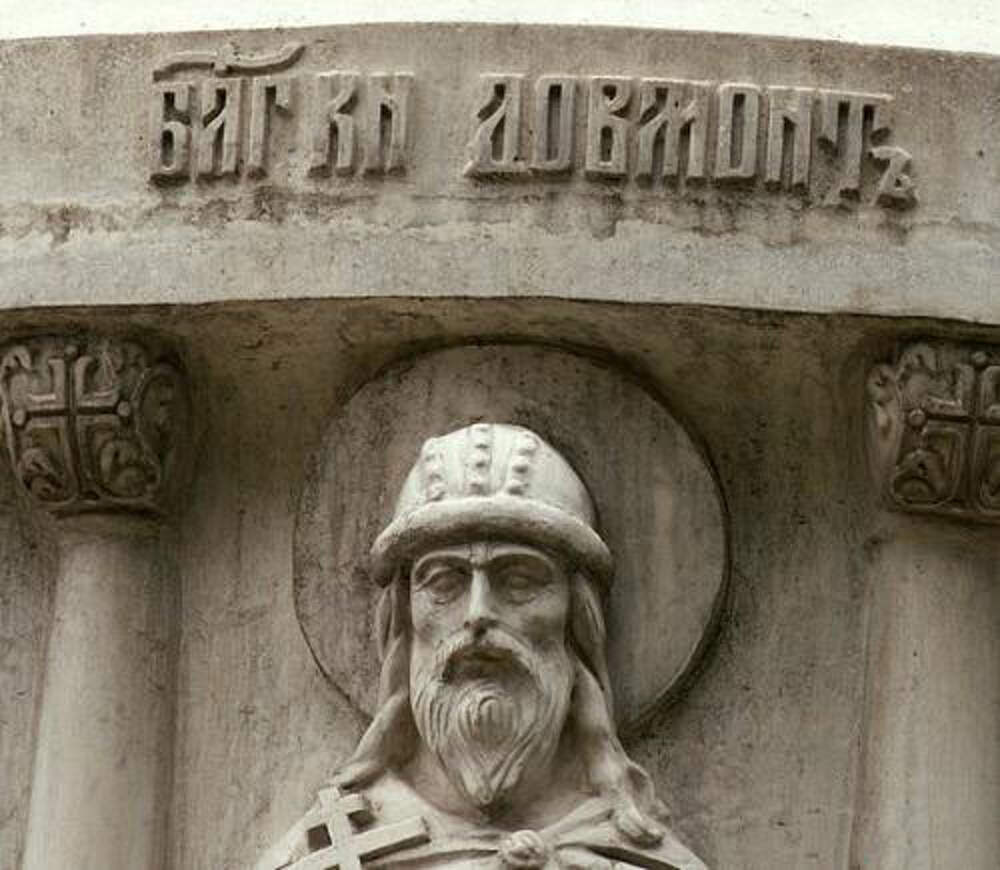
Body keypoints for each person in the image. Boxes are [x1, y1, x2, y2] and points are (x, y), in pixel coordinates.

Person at [260, 424, 707, 869]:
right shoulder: (330, 855)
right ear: (403, 622)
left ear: (577, 622)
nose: (478, 613)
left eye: (520, 580)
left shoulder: (639, 861)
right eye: (443, 581)